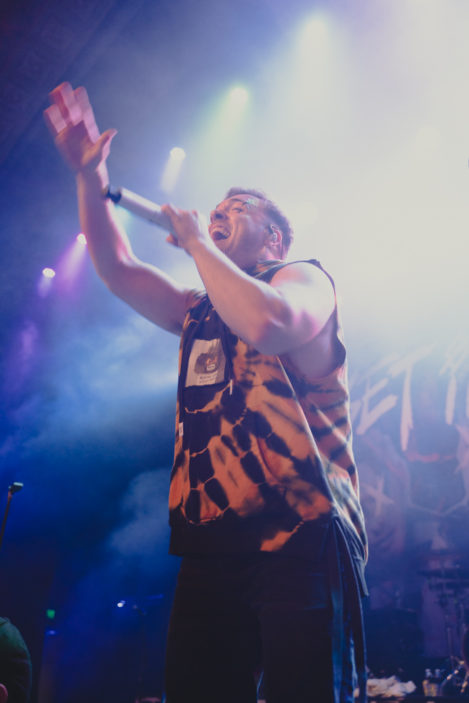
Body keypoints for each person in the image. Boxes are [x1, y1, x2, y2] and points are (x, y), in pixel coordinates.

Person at [44, 82, 368, 703]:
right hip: (212, 539)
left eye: (236, 208)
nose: (218, 214)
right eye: (214, 209)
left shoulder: (304, 277)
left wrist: (195, 242)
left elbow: (269, 324)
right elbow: (117, 269)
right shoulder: (199, 308)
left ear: (274, 240)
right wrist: (91, 176)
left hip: (302, 529)